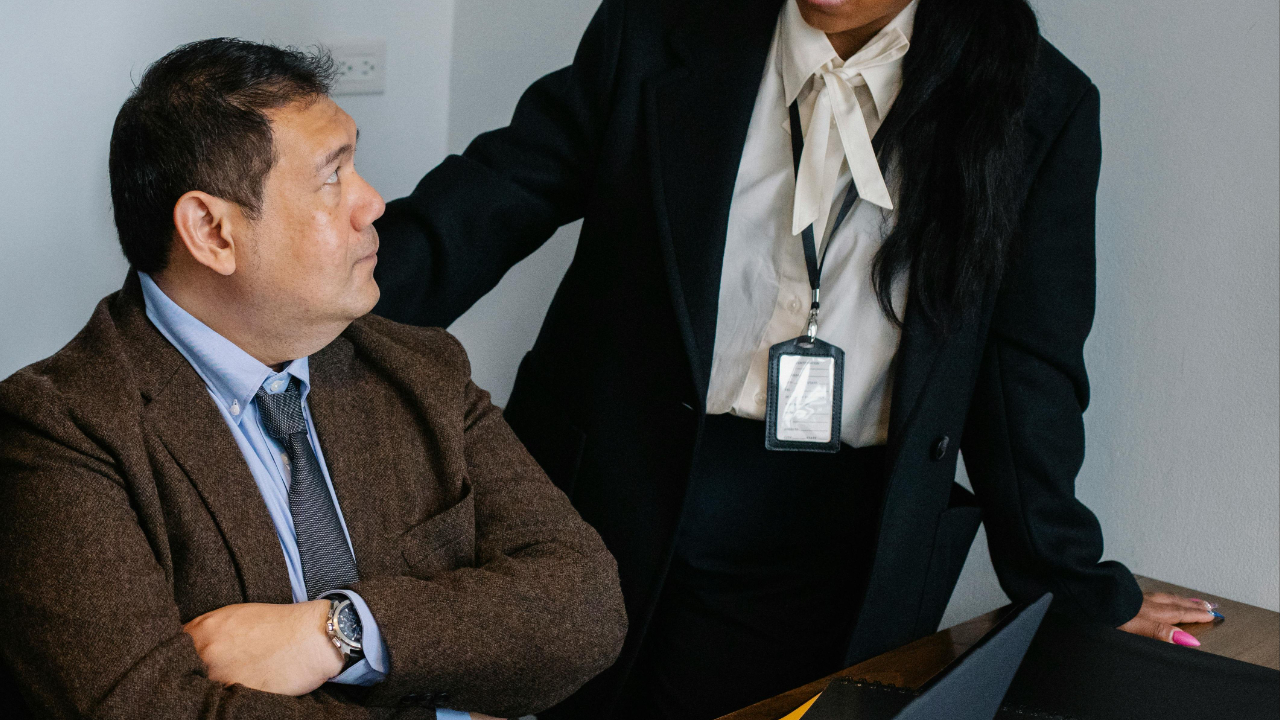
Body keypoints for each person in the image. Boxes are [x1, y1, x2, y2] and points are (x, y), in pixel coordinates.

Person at [371, 0, 1224, 718]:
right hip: (606, 491)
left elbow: (1027, 371)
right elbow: (489, 201)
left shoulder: (1037, 101)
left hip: (836, 540)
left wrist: (1069, 578)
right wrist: (310, 303)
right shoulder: (661, 26)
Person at [0, 38, 627, 720]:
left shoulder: (422, 368)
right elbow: (144, 710)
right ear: (211, 231)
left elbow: (584, 606)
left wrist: (338, 631)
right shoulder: (59, 429)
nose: (374, 203)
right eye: (333, 177)